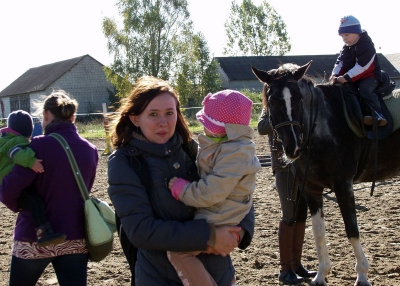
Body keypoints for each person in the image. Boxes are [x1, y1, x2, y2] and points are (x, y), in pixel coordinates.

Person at [107, 76, 255, 286]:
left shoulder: (192, 149)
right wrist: (210, 236)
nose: (163, 122)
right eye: (153, 114)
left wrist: (239, 232)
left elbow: (237, 189)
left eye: (169, 113)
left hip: (218, 272)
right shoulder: (125, 163)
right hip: (160, 276)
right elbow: (141, 230)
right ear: (135, 119)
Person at [0, 90, 99, 286]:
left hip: (33, 237)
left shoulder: (39, 145)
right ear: (73, 117)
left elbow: (9, 190)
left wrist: (19, 204)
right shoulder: (91, 150)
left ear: (46, 114)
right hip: (75, 235)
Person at [167, 90, 261, 286]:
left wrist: (183, 190)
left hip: (219, 214)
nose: (203, 128)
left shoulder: (234, 152)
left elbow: (213, 191)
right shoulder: (227, 145)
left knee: (178, 252)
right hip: (222, 211)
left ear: (226, 129)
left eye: (208, 125)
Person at [258, 108, 317, 285]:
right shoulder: (269, 108)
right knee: (289, 215)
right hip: (283, 167)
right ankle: (285, 270)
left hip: (303, 166)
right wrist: (281, 115)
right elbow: (261, 127)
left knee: (300, 214)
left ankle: (296, 265)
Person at [0, 110, 66, 247]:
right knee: (36, 203)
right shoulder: (16, 141)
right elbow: (16, 153)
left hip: (4, 182)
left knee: (33, 204)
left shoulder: (4, 139)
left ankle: (43, 230)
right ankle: (43, 232)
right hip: (13, 184)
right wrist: (31, 161)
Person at [329, 15, 386, 127]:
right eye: (342, 36)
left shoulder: (366, 45)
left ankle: (378, 114)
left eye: (346, 35)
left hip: (370, 76)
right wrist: (334, 75)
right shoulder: (346, 47)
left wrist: (346, 77)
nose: (344, 38)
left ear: (357, 33)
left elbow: (363, 66)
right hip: (354, 77)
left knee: (364, 90)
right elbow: (340, 62)